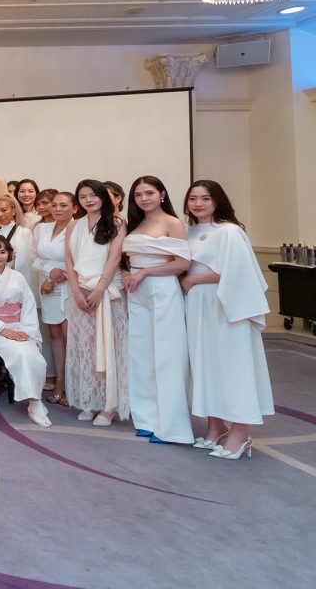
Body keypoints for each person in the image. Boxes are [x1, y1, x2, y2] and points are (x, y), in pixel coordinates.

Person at [182, 180, 273, 460]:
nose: (198, 204)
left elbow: (237, 272)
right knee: (205, 364)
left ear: (217, 201)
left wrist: (194, 279)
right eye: (193, 198)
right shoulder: (188, 231)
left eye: (205, 198)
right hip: (197, 305)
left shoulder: (230, 231)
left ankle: (241, 433)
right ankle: (215, 426)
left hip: (225, 304)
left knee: (233, 365)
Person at [122, 175, 192, 444]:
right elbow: (128, 259)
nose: (144, 198)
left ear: (162, 194)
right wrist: (129, 274)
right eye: (138, 195)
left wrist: (145, 272)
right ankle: (147, 419)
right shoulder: (136, 223)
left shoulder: (173, 222)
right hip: (137, 292)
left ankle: (172, 427)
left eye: (149, 193)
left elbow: (183, 263)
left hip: (162, 289)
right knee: (141, 356)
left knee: (167, 356)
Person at [0, 235, 53, 428]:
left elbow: (28, 306)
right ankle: (35, 402)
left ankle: (35, 398)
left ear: (9, 254)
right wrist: (3, 330)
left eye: (2, 251)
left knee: (37, 359)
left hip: (21, 328)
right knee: (20, 355)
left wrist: (26, 330)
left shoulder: (18, 277)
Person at [64, 179, 129, 426]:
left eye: (93, 195)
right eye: (83, 196)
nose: (88, 200)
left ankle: (108, 406)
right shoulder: (74, 224)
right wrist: (76, 291)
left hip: (107, 292)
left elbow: (114, 258)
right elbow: (68, 260)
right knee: (85, 348)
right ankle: (88, 400)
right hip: (79, 292)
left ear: (102, 196)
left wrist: (100, 288)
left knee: (108, 346)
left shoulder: (116, 222)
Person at [33, 192, 75, 406]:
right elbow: (35, 257)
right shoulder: (42, 228)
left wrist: (58, 275)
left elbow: (81, 262)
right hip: (47, 287)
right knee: (55, 336)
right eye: (55, 205)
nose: (58, 209)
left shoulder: (79, 229)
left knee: (71, 338)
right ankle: (59, 385)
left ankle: (74, 388)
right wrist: (49, 276)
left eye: (63, 205)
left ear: (74, 208)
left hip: (70, 287)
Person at [0, 196, 35, 289]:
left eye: (4, 210)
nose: (0, 214)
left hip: (14, 282)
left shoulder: (24, 233)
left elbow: (24, 265)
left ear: (13, 211)